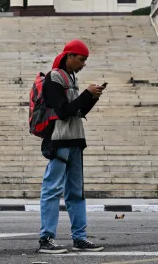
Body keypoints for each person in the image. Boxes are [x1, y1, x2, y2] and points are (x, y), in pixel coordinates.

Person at [37, 39, 105, 254]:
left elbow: (78, 112)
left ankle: (80, 237)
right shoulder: (54, 78)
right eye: (81, 59)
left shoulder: (71, 77)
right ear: (69, 56)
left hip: (75, 140)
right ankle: (46, 238)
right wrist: (85, 94)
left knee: (76, 192)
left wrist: (91, 98)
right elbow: (63, 111)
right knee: (52, 189)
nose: (83, 64)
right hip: (59, 140)